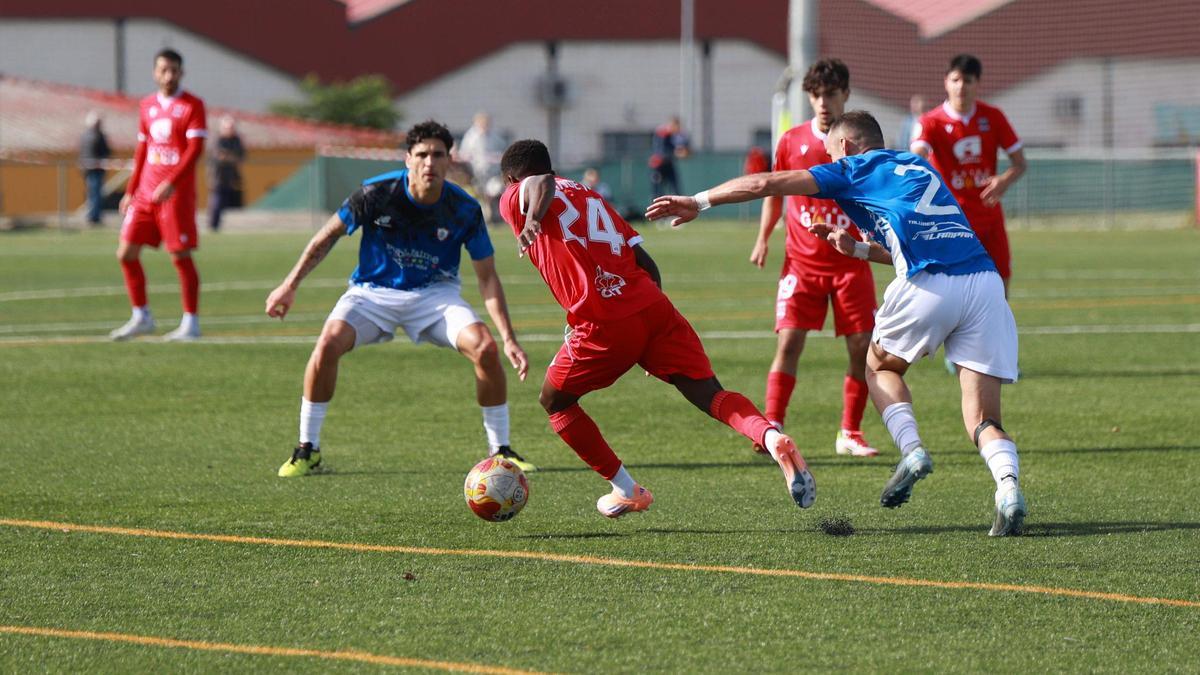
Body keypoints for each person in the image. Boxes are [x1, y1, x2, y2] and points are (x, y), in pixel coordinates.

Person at [647, 110, 1026, 536]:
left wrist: (698, 202)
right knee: (983, 418)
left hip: (931, 282)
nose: (826, 158)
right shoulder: (918, 165)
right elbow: (918, 241)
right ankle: (1008, 489)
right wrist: (858, 250)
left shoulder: (852, 167)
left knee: (879, 368)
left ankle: (913, 450)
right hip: (984, 282)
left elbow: (765, 182)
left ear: (844, 146)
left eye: (829, 150)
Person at [499, 139, 814, 518]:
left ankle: (626, 489)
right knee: (709, 392)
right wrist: (647, 335)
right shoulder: (588, 194)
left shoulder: (519, 191)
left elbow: (538, 184)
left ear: (510, 178)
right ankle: (770, 435)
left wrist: (532, 216)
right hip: (653, 306)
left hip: (603, 320)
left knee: (555, 401)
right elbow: (645, 261)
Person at [265, 120, 534, 477]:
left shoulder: (464, 209)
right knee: (327, 343)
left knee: (485, 349)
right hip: (372, 293)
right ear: (408, 159)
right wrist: (289, 284)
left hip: (435, 296)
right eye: (421, 154)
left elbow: (487, 278)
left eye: (438, 155)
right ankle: (307, 449)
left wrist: (509, 339)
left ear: (448, 160)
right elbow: (326, 237)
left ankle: (500, 451)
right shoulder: (375, 194)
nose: (429, 162)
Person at [749, 58, 878, 459]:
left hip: (851, 263)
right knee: (788, 342)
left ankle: (850, 432)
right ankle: (772, 427)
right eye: (816, 94)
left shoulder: (861, 145)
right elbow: (774, 190)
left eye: (831, 94)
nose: (823, 102)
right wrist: (763, 237)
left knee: (862, 347)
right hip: (802, 265)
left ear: (846, 95)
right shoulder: (791, 141)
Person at [111, 49, 207, 342]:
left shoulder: (192, 106)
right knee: (125, 254)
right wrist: (130, 191)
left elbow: (195, 150)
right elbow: (142, 151)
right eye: (164, 70)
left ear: (181, 73)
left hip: (174, 195)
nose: (169, 75)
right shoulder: (147, 106)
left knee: (179, 255)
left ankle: (191, 322)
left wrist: (172, 182)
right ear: (155, 72)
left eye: (174, 70)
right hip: (144, 194)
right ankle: (141, 316)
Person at [911, 55, 1025, 299]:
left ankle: (994, 335)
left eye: (968, 80)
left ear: (978, 84)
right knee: (949, 293)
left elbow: (1020, 163)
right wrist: (918, 161)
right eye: (956, 79)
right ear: (946, 82)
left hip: (989, 214)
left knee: (999, 285)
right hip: (951, 219)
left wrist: (1003, 180)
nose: (961, 86)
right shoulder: (931, 121)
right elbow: (917, 154)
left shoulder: (993, 117)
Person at [456, 112, 506, 223]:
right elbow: (464, 154)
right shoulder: (471, 137)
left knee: (493, 194)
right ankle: (484, 217)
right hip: (475, 173)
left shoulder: (495, 136)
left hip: (493, 173)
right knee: (480, 196)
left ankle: (494, 216)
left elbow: (502, 151)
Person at [208, 115, 245, 232]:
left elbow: (241, 157)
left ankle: (218, 224)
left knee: (226, 201)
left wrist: (229, 157)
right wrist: (231, 158)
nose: (231, 130)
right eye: (228, 127)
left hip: (231, 176)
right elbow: (219, 156)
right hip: (217, 176)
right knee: (217, 200)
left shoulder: (236, 140)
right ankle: (213, 225)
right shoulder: (218, 140)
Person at [80, 110, 111, 225]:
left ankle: (93, 215)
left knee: (92, 192)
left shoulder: (84, 135)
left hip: (88, 169)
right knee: (95, 193)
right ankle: (94, 216)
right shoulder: (97, 136)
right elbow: (105, 151)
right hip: (96, 169)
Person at [649, 116, 690, 197]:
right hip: (658, 166)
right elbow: (660, 152)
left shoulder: (676, 136)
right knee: (657, 192)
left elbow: (685, 147)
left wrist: (684, 151)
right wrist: (676, 153)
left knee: (676, 190)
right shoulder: (662, 134)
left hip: (668, 165)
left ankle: (677, 209)